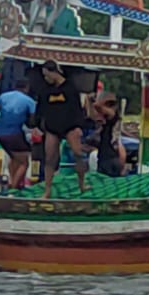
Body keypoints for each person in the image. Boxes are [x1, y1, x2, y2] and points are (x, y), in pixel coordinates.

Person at [35, 60, 88, 198]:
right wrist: (37, 126)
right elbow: (40, 110)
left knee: (78, 153)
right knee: (50, 158)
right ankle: (47, 190)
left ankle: (82, 183)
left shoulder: (70, 87)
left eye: (46, 75)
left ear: (53, 73)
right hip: (52, 126)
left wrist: (79, 127)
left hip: (70, 125)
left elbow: (77, 109)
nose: (45, 78)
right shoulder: (45, 89)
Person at [0, 77, 38, 191]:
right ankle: (14, 187)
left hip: (1, 135)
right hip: (15, 135)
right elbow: (33, 120)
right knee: (24, 162)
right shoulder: (29, 101)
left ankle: (12, 182)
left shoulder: (3, 96)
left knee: (14, 158)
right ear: (27, 88)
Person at [91, 92, 128, 178]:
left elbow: (98, 106)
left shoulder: (113, 116)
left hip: (110, 159)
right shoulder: (105, 120)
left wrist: (94, 100)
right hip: (104, 157)